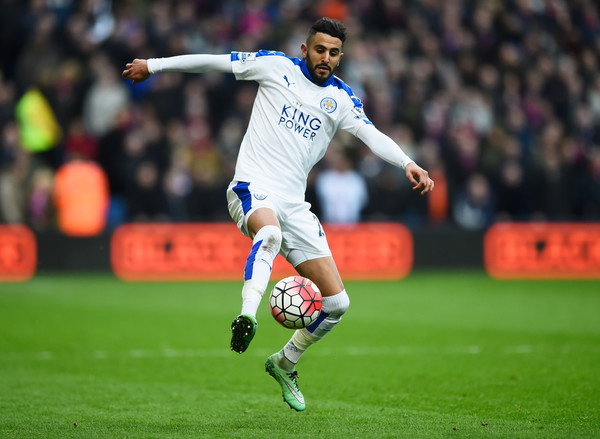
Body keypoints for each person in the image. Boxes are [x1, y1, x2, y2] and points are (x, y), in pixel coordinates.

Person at [122, 17, 434, 411]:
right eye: (319, 49)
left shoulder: (341, 99)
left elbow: (372, 135)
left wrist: (408, 162)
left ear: (340, 57)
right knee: (267, 235)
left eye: (334, 52)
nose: (326, 58)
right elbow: (215, 62)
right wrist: (154, 65)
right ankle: (247, 317)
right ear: (305, 49)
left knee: (337, 305)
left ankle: (284, 362)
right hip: (251, 188)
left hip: (294, 204)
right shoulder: (275, 66)